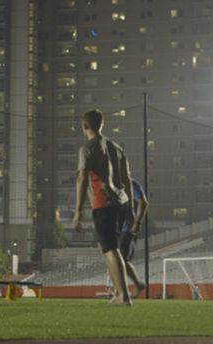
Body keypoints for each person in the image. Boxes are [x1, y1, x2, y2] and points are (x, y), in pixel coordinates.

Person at [73, 109, 134, 306]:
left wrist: (77, 211)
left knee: (110, 249)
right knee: (108, 249)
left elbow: (82, 179)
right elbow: (127, 179)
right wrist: (131, 207)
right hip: (122, 202)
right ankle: (118, 293)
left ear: (85, 126)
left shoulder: (88, 149)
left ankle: (123, 295)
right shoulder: (115, 146)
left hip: (104, 203)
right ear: (102, 125)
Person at [118, 178, 149, 297]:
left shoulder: (131, 184)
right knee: (118, 259)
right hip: (117, 228)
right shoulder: (113, 183)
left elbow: (143, 202)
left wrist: (137, 222)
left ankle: (135, 284)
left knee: (121, 259)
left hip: (127, 228)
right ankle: (121, 289)